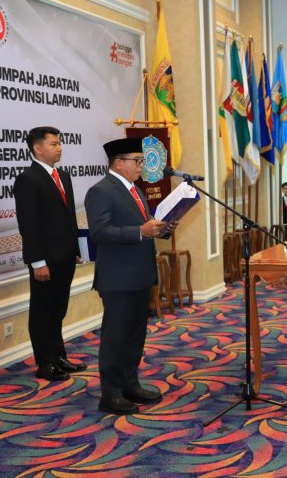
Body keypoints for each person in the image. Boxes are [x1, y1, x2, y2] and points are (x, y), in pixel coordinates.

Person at [84, 138, 177, 415]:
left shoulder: (135, 189)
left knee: (135, 335)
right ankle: (111, 395)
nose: (141, 166)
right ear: (117, 163)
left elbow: (144, 227)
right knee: (116, 337)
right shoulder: (101, 191)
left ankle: (130, 384)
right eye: (137, 161)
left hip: (140, 274)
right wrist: (140, 231)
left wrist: (162, 228)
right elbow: (99, 232)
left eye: (141, 161)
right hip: (118, 278)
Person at [13, 126, 86, 382]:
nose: (59, 148)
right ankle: (45, 364)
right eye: (54, 144)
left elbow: (68, 217)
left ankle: (59, 357)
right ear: (37, 148)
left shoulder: (63, 176)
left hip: (65, 256)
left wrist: (75, 249)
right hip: (44, 260)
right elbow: (28, 225)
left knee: (58, 308)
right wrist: (37, 262)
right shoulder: (28, 179)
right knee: (43, 311)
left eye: (60, 143)